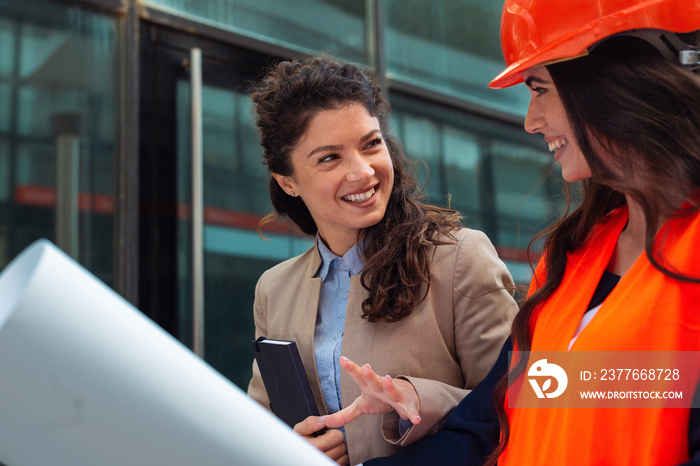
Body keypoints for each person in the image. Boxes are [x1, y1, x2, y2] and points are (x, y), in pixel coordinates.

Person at [321, 0, 700, 464]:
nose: (530, 120)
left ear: (615, 79)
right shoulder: (576, 259)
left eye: (539, 88)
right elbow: (489, 425)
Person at [245, 55, 518, 466]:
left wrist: (414, 399)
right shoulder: (274, 288)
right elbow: (258, 423)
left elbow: (521, 400)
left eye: (371, 144)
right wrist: (291, 444)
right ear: (288, 182)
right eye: (329, 158)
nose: (362, 172)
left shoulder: (459, 258)